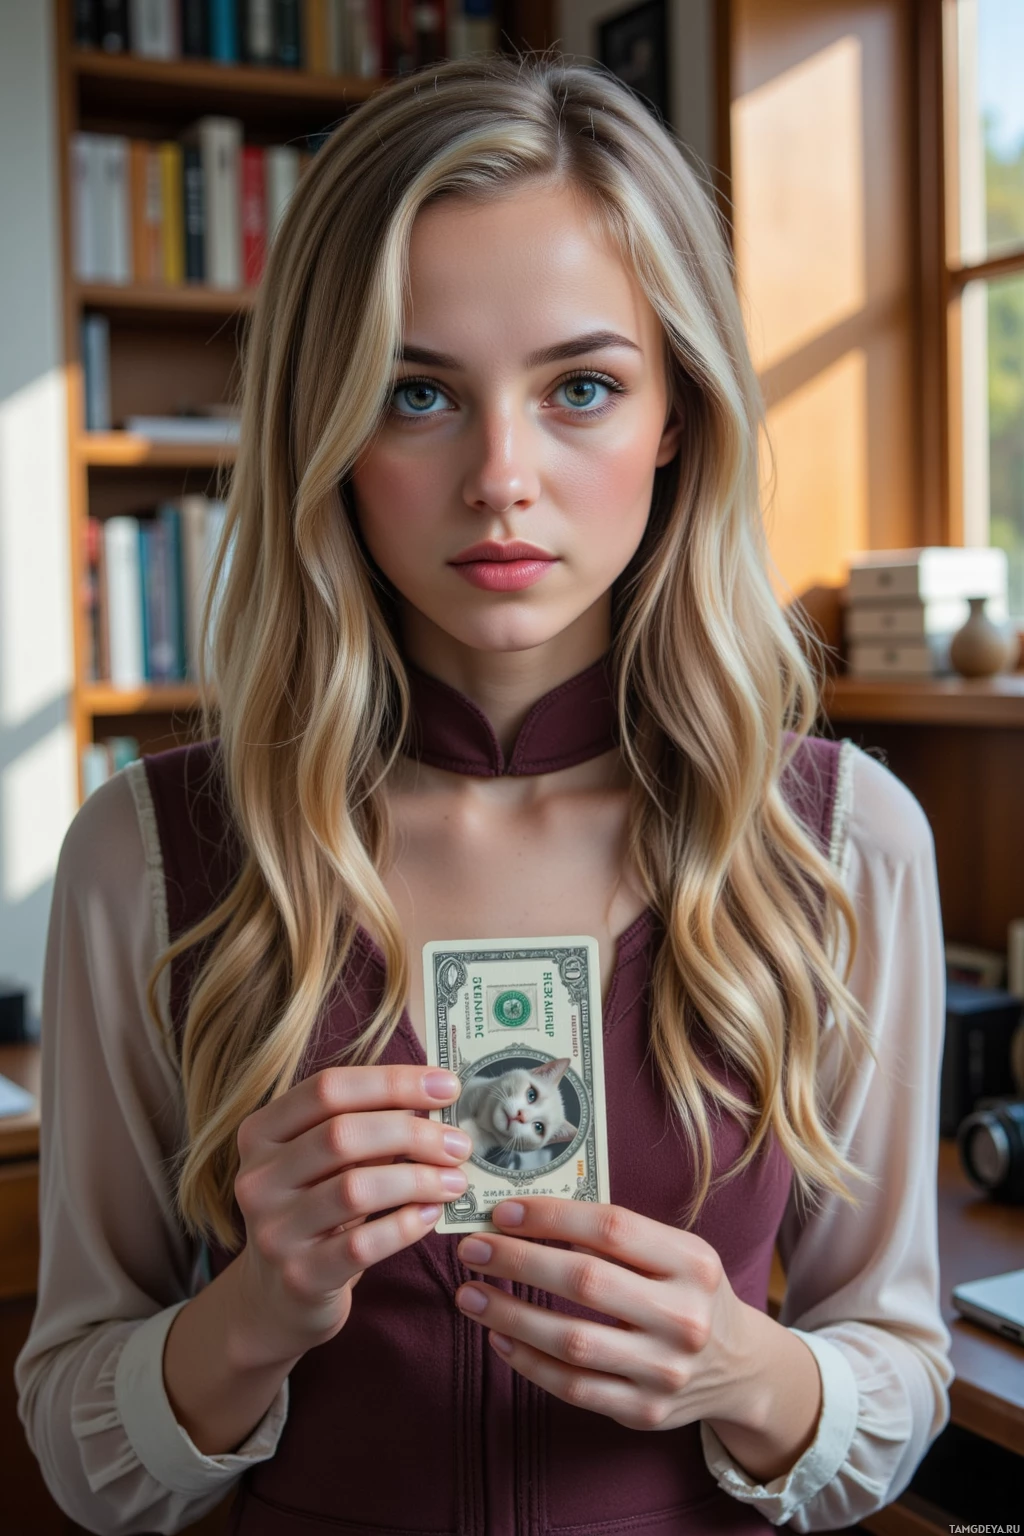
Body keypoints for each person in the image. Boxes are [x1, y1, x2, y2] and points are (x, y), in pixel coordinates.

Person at [16, 51, 952, 1536]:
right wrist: (256, 1311)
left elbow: (896, 1369)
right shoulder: (145, 856)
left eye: (582, 386)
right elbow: (76, 1444)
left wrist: (748, 1371)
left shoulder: (845, 844)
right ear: (325, 431)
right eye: (416, 391)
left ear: (678, 421)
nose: (501, 476)